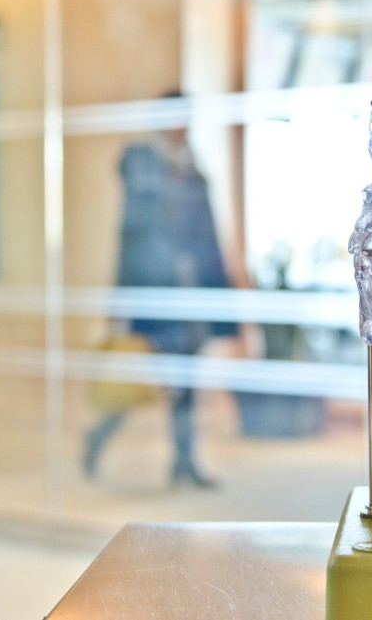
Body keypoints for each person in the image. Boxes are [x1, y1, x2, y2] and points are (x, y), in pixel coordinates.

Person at [84, 95, 236, 488]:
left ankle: (184, 461)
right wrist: (124, 302)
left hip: (190, 298)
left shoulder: (191, 167)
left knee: (185, 384)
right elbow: (133, 236)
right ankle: (97, 436)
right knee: (139, 380)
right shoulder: (145, 164)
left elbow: (206, 236)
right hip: (156, 296)